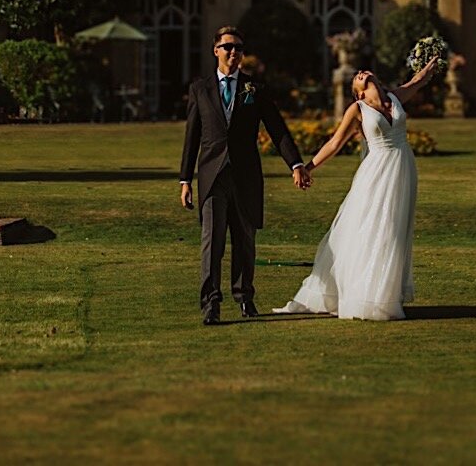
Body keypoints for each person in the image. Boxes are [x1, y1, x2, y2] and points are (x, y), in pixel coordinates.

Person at [274, 59, 439, 321]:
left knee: (396, 230)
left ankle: (386, 293)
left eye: (363, 73)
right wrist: (306, 167)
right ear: (358, 92)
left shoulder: (394, 97)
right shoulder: (358, 108)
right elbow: (334, 143)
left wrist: (429, 66)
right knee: (375, 228)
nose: (360, 73)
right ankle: (364, 295)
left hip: (403, 170)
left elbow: (416, 82)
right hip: (376, 173)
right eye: (356, 78)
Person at [179, 26, 310, 326]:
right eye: (227, 47)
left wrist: (295, 164)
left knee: (245, 241)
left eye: (238, 47)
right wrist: (185, 180)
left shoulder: (255, 89)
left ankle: (244, 298)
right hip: (212, 176)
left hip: (246, 176)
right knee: (212, 243)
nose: (233, 52)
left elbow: (277, 129)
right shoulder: (200, 89)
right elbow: (192, 136)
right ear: (216, 50)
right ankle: (211, 304)